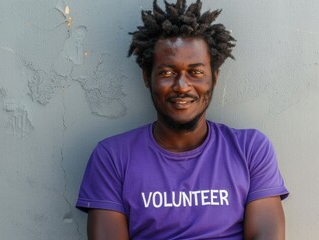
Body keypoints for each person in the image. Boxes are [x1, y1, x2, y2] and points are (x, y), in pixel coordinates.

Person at [76, 0, 289, 239]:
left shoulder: (250, 149)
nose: (182, 86)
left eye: (196, 72)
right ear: (147, 77)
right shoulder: (112, 157)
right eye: (167, 72)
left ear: (214, 78)